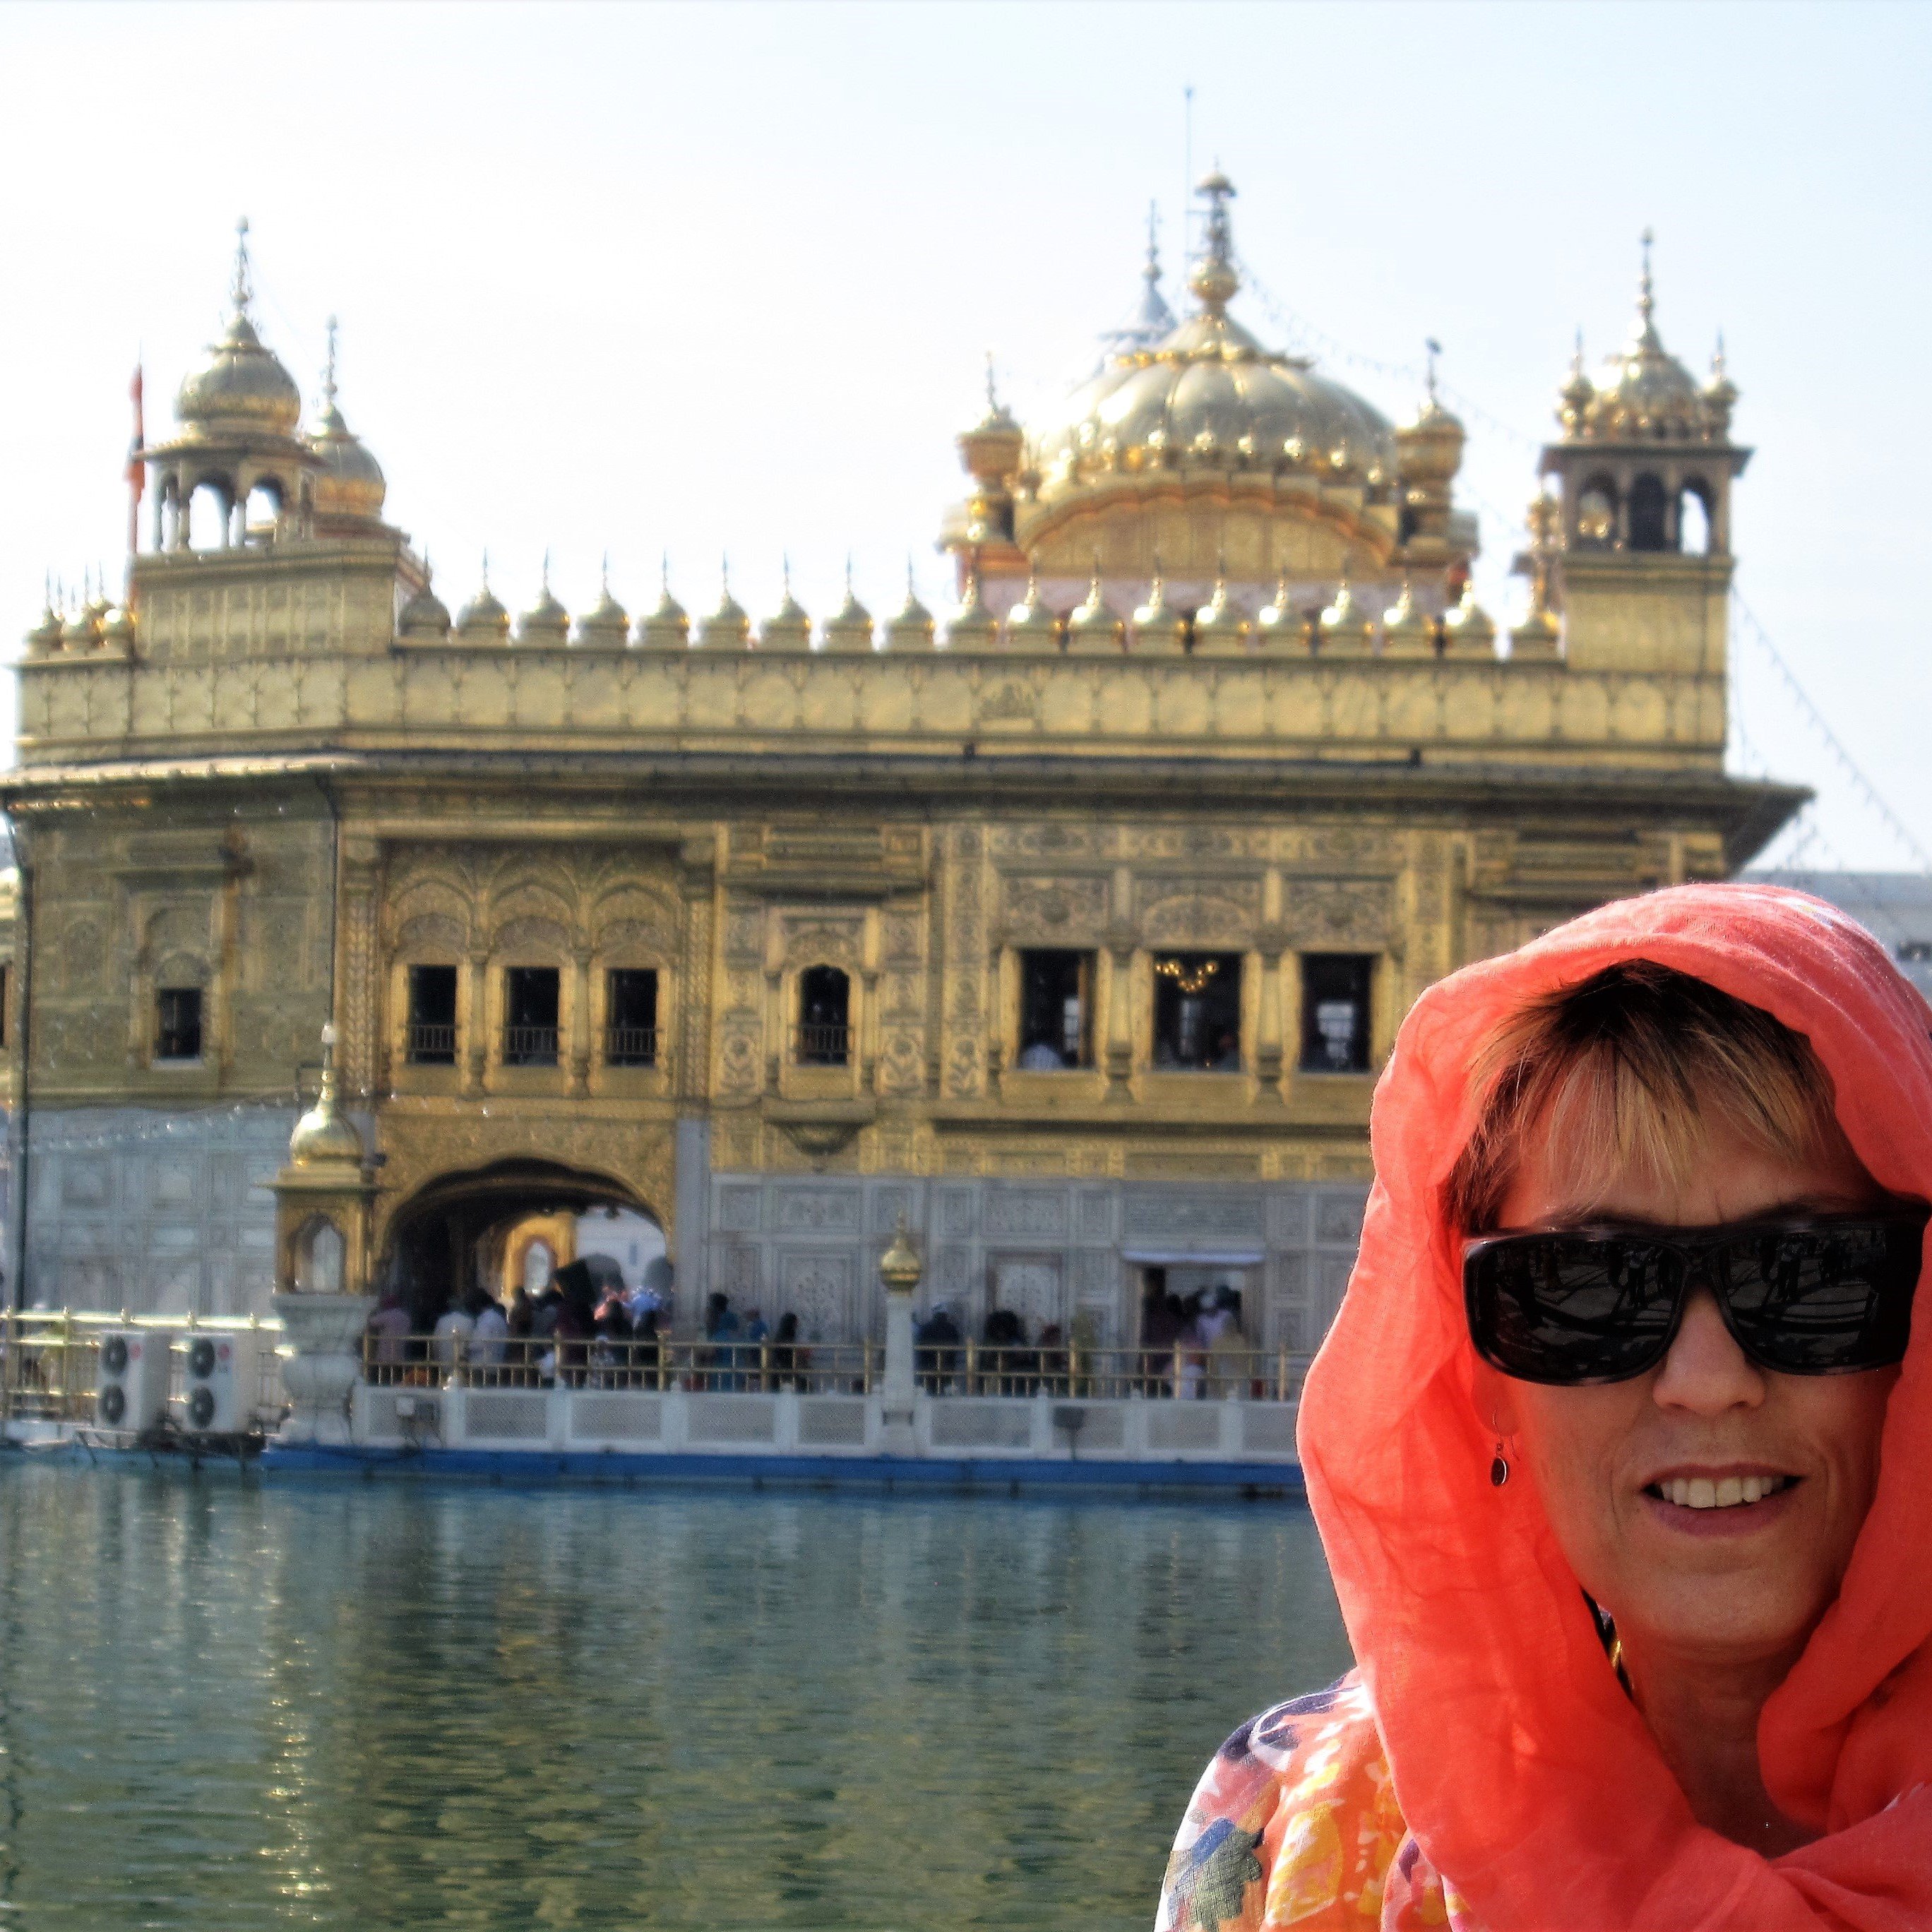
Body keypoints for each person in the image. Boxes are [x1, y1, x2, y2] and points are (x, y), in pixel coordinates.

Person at [1157, 884, 1932, 1930]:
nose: (1707, 1379)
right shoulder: (1300, 1822)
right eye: (1589, 1289)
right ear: (1484, 1364)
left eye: (1811, 1275)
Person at [467, 1289, 509, 1383]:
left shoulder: (486, 1320)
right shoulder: (498, 1318)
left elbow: (479, 1343)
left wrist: (466, 1349)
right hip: (496, 1364)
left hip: (482, 1366)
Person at [364, 1290, 410, 1376]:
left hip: (386, 1355)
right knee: (398, 1377)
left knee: (384, 1377)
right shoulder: (406, 1316)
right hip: (401, 1355)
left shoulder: (387, 1315)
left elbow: (371, 1322)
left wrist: (371, 1310)